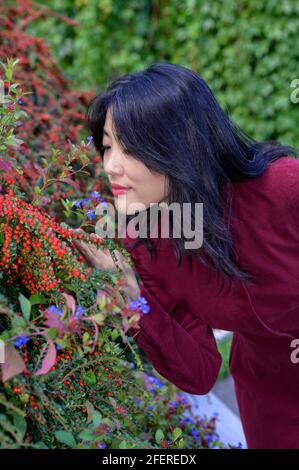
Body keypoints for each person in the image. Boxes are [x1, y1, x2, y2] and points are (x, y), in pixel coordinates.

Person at [75, 62, 299, 449]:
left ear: (177, 143)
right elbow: (200, 372)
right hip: (271, 400)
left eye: (127, 147)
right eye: (108, 146)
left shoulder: (283, 188)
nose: (110, 165)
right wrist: (130, 297)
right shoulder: (143, 245)